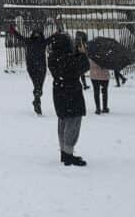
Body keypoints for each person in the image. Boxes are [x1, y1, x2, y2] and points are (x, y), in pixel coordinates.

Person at [48, 32, 89, 166]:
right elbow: (83, 67)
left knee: (63, 121)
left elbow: (68, 65)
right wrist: (82, 54)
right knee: (73, 122)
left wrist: (75, 54)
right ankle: (68, 155)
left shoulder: (53, 57)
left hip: (59, 91)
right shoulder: (68, 59)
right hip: (71, 93)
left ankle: (64, 152)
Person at [9, 23, 53, 115]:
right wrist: (13, 31)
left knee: (39, 86)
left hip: (40, 66)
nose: (37, 36)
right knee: (37, 85)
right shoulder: (31, 41)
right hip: (33, 66)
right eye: (35, 34)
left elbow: (52, 38)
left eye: (38, 34)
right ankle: (37, 101)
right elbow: (20, 37)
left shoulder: (42, 42)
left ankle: (37, 100)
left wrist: (58, 33)